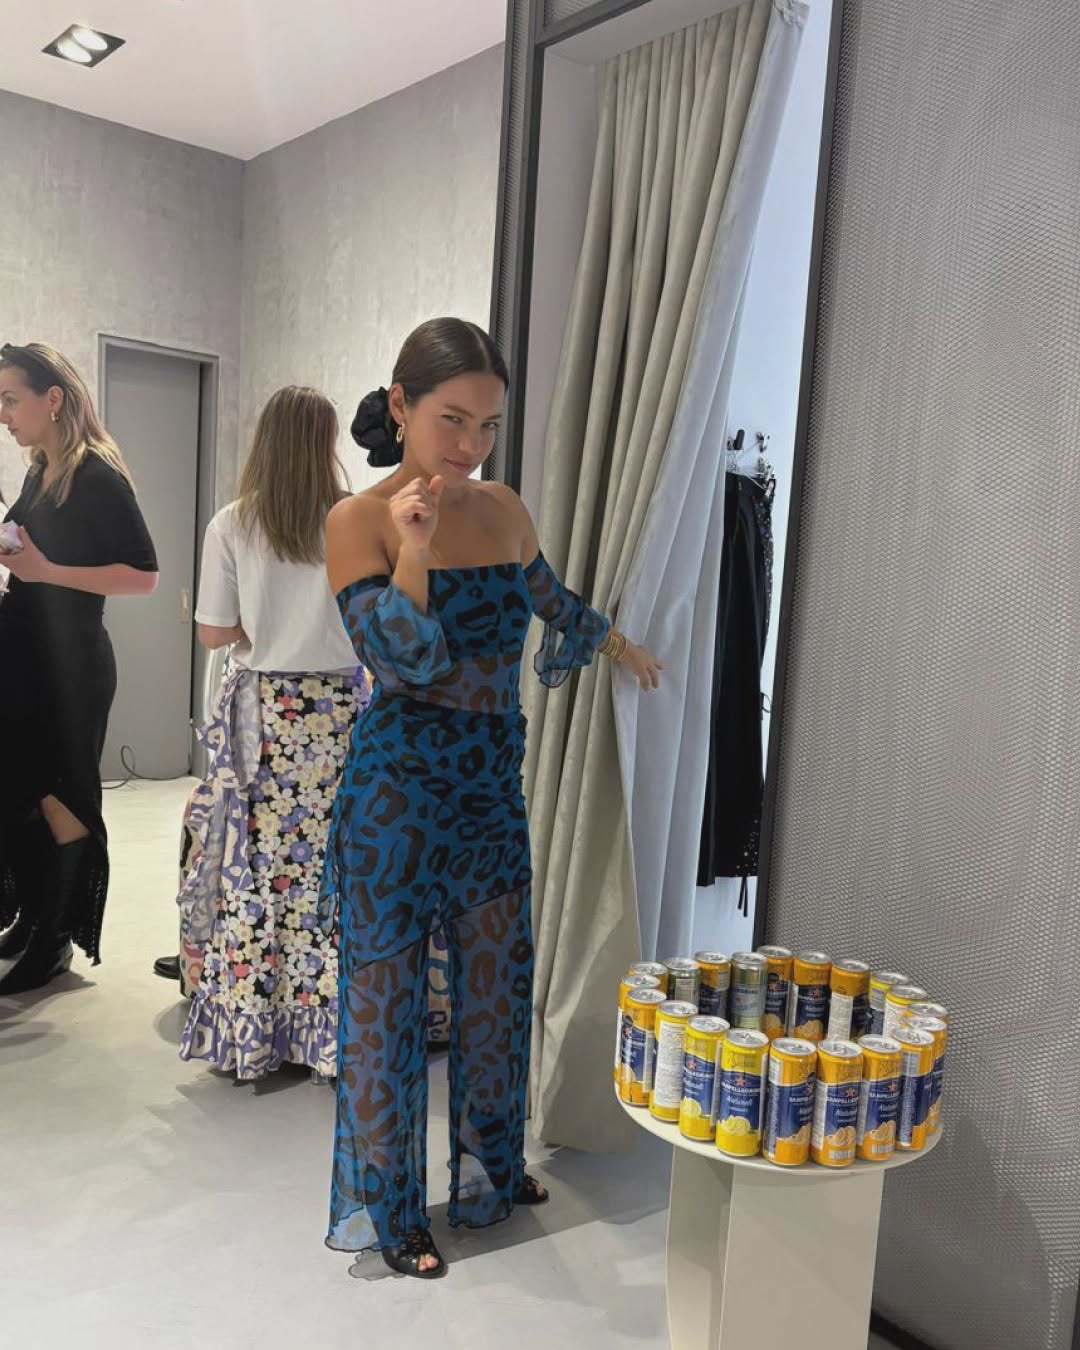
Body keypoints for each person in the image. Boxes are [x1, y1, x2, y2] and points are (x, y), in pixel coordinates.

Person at [322, 317, 663, 1278]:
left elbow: (549, 599)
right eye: (452, 420)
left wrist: (618, 646)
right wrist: (414, 548)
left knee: (495, 996)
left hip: (488, 790)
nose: (471, 445)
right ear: (401, 406)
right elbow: (401, 657)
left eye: (489, 425)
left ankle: (492, 1171)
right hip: (396, 798)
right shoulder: (355, 521)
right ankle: (393, 1213)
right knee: (386, 1009)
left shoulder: (505, 507)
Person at [176, 386, 370, 1082]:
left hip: (267, 712)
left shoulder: (234, 523)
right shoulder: (352, 517)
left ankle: (255, 1027)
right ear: (327, 443)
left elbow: (213, 632)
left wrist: (261, 623)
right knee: (331, 869)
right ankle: (328, 1036)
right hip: (340, 711)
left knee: (258, 870)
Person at [0, 342, 159, 995]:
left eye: (11, 400)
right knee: (22, 789)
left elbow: (143, 576)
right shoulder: (42, 470)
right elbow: (26, 546)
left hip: (70, 665)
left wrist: (45, 571)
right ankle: (33, 916)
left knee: (61, 796)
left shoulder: (96, 474)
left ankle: (55, 941)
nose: (3, 415)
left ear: (53, 399)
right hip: (25, 654)